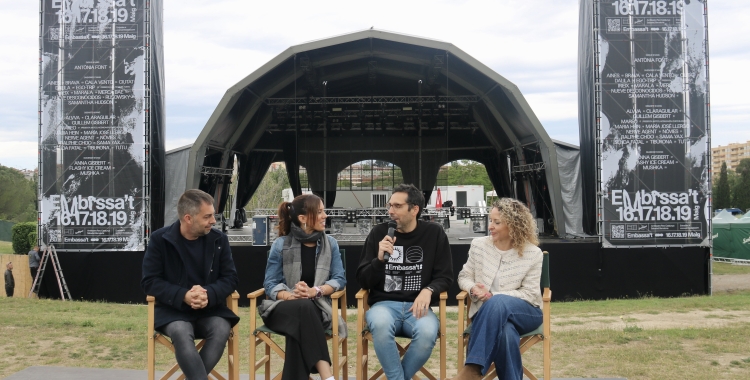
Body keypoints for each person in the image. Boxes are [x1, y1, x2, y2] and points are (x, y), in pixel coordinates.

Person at [356, 184, 454, 380]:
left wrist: (428, 290)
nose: (391, 211)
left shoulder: (434, 234)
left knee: (427, 334)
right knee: (381, 326)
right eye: (389, 205)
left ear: (415, 209)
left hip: (418, 308)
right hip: (384, 305)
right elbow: (363, 280)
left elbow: (445, 276)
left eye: (398, 206)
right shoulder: (378, 233)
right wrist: (379, 260)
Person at [141, 189, 239, 380]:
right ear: (188, 218)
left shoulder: (219, 239)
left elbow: (231, 278)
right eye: (207, 216)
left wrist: (208, 294)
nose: (213, 221)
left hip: (211, 310)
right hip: (173, 311)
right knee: (180, 330)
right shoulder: (160, 240)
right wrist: (184, 295)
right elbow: (150, 281)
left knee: (221, 328)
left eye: (213, 215)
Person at [452, 198, 543, 380]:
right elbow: (464, 276)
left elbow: (530, 294)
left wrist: (493, 296)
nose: (490, 226)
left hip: (526, 312)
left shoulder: (533, 253)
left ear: (514, 225)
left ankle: (472, 369)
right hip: (487, 315)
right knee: (506, 335)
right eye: (490, 220)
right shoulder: (479, 246)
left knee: (498, 300)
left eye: (497, 222)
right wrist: (472, 289)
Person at [258, 194, 347, 380]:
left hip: (316, 309)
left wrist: (316, 291)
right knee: (303, 306)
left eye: (324, 211)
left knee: (301, 319)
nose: (325, 216)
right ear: (303, 218)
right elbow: (270, 284)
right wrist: (291, 296)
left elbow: (339, 279)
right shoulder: (280, 245)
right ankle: (327, 376)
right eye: (320, 211)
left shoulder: (331, 244)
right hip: (281, 309)